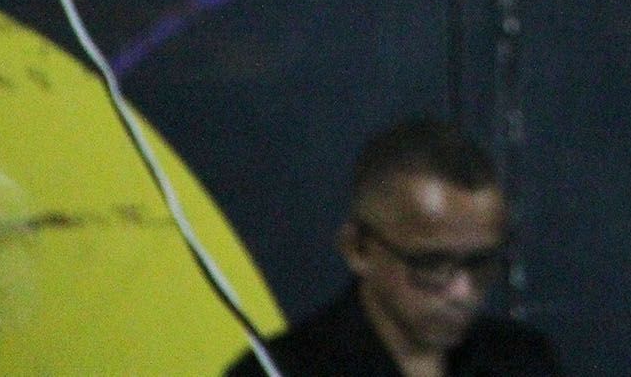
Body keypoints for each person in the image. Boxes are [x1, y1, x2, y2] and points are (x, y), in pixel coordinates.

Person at [226, 119, 559, 377]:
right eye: (431, 264)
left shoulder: (522, 360)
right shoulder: (280, 371)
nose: (462, 291)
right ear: (358, 249)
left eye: (480, 263)